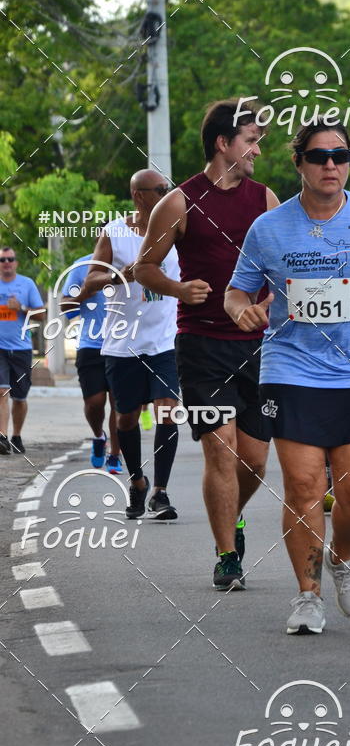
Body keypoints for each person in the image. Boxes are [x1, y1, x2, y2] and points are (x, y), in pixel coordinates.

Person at [225, 120, 350, 634]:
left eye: (340, 156)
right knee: (304, 484)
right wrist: (240, 311)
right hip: (291, 368)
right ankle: (307, 595)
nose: (331, 165)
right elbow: (237, 291)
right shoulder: (268, 228)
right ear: (299, 165)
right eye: (319, 157)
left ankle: (342, 556)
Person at [135, 99, 279, 589]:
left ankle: (230, 515)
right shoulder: (177, 201)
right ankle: (226, 556)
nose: (258, 149)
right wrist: (177, 288)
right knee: (221, 449)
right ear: (224, 143)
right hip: (200, 344)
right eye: (251, 140)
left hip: (257, 345)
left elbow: (283, 269)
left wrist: (273, 304)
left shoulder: (265, 199)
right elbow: (144, 267)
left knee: (255, 461)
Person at [85, 171, 180, 520]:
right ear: (139, 197)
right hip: (123, 344)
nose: (168, 196)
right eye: (161, 191)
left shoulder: (176, 230)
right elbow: (91, 278)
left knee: (167, 411)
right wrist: (117, 275)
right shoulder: (115, 232)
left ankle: (161, 492)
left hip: (165, 342)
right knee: (125, 419)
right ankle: (138, 480)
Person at [60, 253, 121, 473]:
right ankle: (98, 436)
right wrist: (86, 292)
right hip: (90, 345)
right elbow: (65, 307)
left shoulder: (132, 263)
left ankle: (115, 455)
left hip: (123, 345)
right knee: (94, 403)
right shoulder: (82, 266)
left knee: (119, 405)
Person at [0, 246, 44, 454]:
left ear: (16, 262)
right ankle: (2, 437)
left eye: (10, 259)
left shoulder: (26, 284)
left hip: (21, 348)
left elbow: (41, 315)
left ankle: (16, 435)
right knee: (1, 391)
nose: (6, 263)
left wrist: (22, 309)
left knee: (19, 397)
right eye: (2, 260)